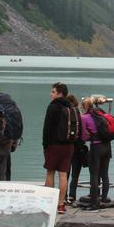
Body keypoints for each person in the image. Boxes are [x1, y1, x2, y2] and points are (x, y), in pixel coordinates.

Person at [42, 82, 74, 214]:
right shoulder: (71, 107)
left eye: (53, 92)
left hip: (54, 145)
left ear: (60, 93)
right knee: (63, 174)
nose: (51, 94)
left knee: (50, 172)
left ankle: (50, 202)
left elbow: (47, 127)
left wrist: (45, 144)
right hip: (68, 146)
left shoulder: (53, 107)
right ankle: (61, 204)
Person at [79, 95, 112, 210]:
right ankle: (104, 200)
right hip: (107, 147)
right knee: (105, 175)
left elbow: (83, 137)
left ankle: (94, 203)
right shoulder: (101, 114)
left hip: (96, 147)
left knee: (94, 175)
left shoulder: (84, 117)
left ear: (83, 107)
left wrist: (88, 137)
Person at [66, 95, 89, 204]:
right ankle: (72, 196)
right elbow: (83, 134)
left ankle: (63, 196)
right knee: (75, 175)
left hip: (67, 147)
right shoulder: (79, 115)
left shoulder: (64, 114)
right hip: (78, 148)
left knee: (64, 174)